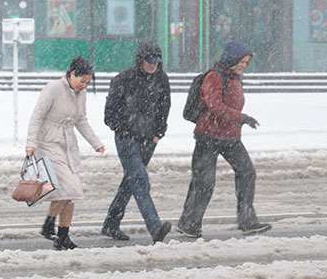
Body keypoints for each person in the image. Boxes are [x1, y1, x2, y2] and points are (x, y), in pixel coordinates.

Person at [176, 41, 270, 238]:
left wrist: (238, 120)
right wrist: (241, 118)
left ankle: (247, 220)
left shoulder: (236, 78)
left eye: (246, 62)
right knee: (204, 182)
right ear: (231, 59)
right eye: (241, 61)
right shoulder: (214, 77)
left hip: (231, 137)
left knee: (247, 172)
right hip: (207, 136)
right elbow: (214, 106)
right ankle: (189, 224)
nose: (243, 65)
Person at [25, 55, 105, 250]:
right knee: (71, 187)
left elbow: (81, 120)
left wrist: (96, 143)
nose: (84, 85)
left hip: (68, 146)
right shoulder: (53, 88)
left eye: (88, 82)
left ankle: (60, 234)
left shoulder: (80, 94)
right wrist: (31, 143)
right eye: (82, 81)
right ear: (71, 74)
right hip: (48, 143)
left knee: (67, 193)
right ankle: (50, 225)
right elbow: (37, 116)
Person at [101, 41, 173, 244]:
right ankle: (155, 228)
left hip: (149, 140)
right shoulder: (123, 79)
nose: (153, 65)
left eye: (157, 62)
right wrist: (123, 130)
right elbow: (109, 113)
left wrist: (158, 133)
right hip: (127, 140)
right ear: (140, 60)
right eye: (149, 61)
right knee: (140, 181)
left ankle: (111, 224)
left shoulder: (161, 80)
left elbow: (164, 107)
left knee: (130, 183)